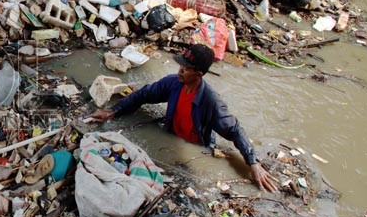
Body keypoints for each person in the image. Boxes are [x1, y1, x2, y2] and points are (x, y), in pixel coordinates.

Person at [88, 44, 279, 192]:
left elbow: (235, 130)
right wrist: (113, 111)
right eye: (180, 65)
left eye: (186, 68)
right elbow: (143, 95)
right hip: (171, 135)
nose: (180, 70)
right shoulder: (174, 84)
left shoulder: (211, 102)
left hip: (196, 148)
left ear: (199, 74)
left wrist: (253, 163)